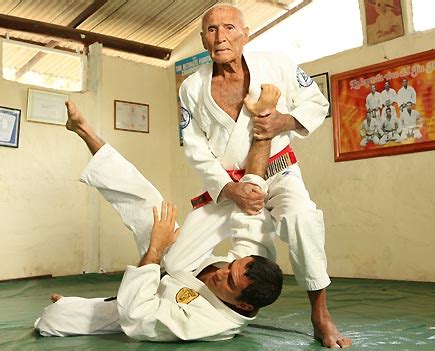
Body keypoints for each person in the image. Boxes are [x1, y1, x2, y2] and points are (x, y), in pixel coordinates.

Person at [177, 4, 352, 348]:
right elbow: (194, 148)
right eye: (211, 30)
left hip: (279, 170)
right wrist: (229, 189)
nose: (220, 37)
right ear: (202, 39)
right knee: (184, 254)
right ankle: (209, 309)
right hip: (229, 186)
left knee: (302, 218)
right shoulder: (192, 88)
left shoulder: (277, 63)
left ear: (246, 33)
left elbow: (317, 103)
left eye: (229, 28)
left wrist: (283, 121)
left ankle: (320, 312)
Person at [34, 101, 283, 341]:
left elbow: (137, 316)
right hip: (185, 261)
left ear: (244, 304)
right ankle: (84, 131)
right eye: (232, 265)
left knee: (54, 318)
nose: (223, 271)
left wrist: (155, 248)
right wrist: (263, 128)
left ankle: (74, 305)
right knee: (159, 203)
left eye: (230, 280)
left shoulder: (205, 323)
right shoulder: (254, 260)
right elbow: (253, 194)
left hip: (160, 297)